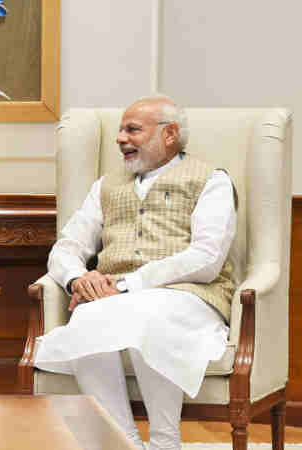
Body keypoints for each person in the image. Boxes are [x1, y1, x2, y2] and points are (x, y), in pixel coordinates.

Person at [34, 95, 237, 450]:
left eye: (133, 129)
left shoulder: (211, 180)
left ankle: (164, 441)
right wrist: (78, 279)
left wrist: (129, 285)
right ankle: (121, 442)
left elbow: (207, 258)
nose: (120, 138)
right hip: (112, 300)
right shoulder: (106, 186)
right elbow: (67, 247)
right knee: (87, 318)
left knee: (147, 316)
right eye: (120, 130)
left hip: (188, 296)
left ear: (170, 134)